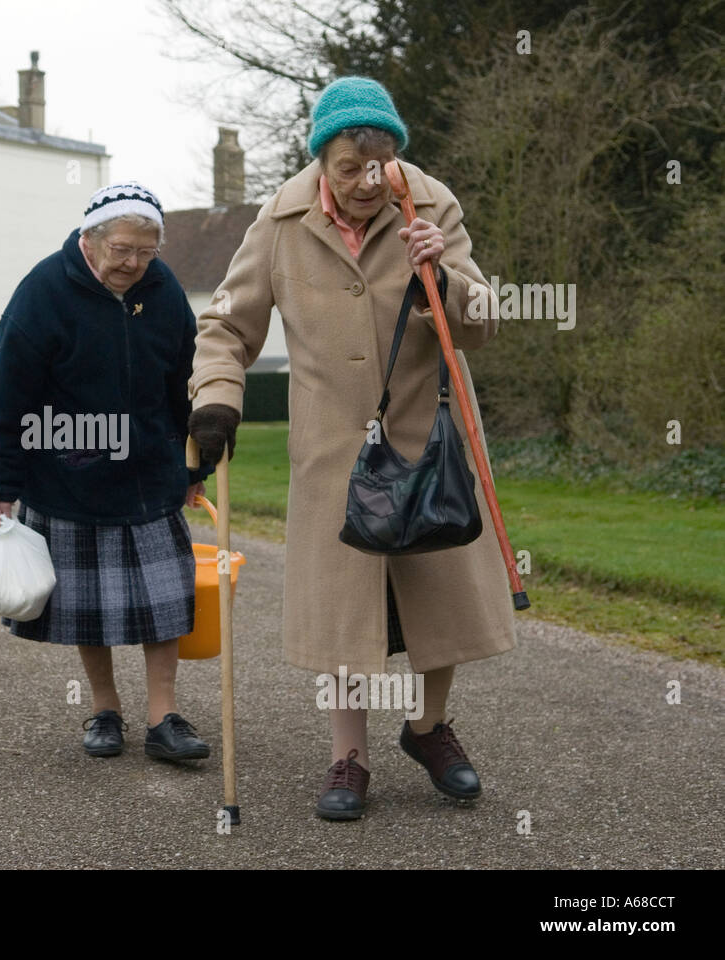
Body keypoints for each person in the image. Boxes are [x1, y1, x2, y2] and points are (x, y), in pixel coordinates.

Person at [189, 77, 514, 820]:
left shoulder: (431, 204)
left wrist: (449, 276)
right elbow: (226, 326)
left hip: (429, 431)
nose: (368, 183)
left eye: (380, 167)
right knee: (343, 607)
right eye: (349, 169)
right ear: (322, 159)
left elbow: (482, 321)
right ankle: (349, 755)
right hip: (334, 444)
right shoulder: (279, 220)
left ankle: (429, 728)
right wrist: (216, 399)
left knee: (442, 587)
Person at [0, 181, 214, 762]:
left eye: (146, 252)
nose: (133, 264)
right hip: (68, 473)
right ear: (91, 238)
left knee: (165, 603)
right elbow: (7, 393)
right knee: (89, 610)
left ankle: (164, 717)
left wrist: (196, 462)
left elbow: (186, 377)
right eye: (122, 250)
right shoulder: (42, 292)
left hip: (152, 469)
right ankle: (104, 710)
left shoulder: (163, 289)